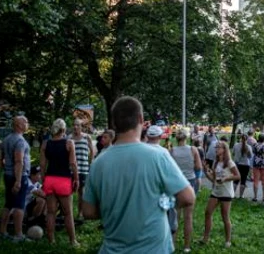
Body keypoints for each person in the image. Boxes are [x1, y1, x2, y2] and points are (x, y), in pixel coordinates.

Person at [83, 96, 195, 254]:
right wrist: (162, 203)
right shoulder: (158, 155)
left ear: (114, 124)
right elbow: (188, 197)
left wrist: (115, 208)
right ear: (141, 119)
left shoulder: (98, 163)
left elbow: (87, 211)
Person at [40, 118, 79, 245]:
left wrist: (43, 179)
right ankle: (73, 241)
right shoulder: (69, 143)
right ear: (63, 129)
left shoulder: (45, 144)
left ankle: (51, 241)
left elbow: (42, 165)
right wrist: (77, 179)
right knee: (68, 213)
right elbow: (73, 163)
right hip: (63, 180)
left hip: (49, 179)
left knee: (50, 212)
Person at [0, 115, 31, 242]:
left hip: (8, 175)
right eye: (26, 122)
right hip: (19, 176)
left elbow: (0, 159)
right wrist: (17, 181)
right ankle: (19, 235)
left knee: (8, 204)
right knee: (19, 205)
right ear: (19, 125)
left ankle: (2, 231)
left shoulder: (6, 139)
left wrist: (6, 169)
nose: (27, 124)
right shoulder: (20, 141)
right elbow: (19, 161)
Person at [202, 141, 240, 248]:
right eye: (216, 147)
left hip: (226, 193)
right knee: (207, 213)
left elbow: (238, 176)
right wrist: (205, 171)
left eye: (218, 147)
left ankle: (228, 241)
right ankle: (205, 238)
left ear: (224, 149)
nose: (216, 149)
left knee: (225, 217)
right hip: (216, 192)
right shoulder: (215, 162)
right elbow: (213, 179)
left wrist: (226, 178)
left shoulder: (229, 163)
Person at [171, 128, 202, 253]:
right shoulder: (193, 149)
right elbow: (198, 167)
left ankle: (172, 244)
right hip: (190, 182)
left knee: (175, 216)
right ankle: (187, 247)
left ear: (177, 138)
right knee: (188, 216)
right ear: (186, 138)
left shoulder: (171, 151)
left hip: (176, 183)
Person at [67, 119, 94, 220]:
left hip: (83, 168)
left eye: (77, 125)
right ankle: (67, 214)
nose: (75, 127)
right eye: (74, 125)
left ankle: (80, 213)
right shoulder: (69, 138)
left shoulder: (87, 137)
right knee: (68, 191)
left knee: (81, 192)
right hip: (70, 169)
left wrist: (91, 163)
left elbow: (92, 151)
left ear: (81, 126)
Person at [232, 134, 252, 199]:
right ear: (247, 139)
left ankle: (232, 194)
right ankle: (241, 195)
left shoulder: (236, 145)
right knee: (243, 180)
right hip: (246, 165)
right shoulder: (249, 147)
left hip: (237, 164)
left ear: (240, 138)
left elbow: (233, 153)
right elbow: (250, 156)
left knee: (236, 180)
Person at [251, 134, 264, 202]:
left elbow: (253, 152)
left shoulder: (255, 145)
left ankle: (255, 197)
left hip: (256, 163)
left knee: (256, 180)